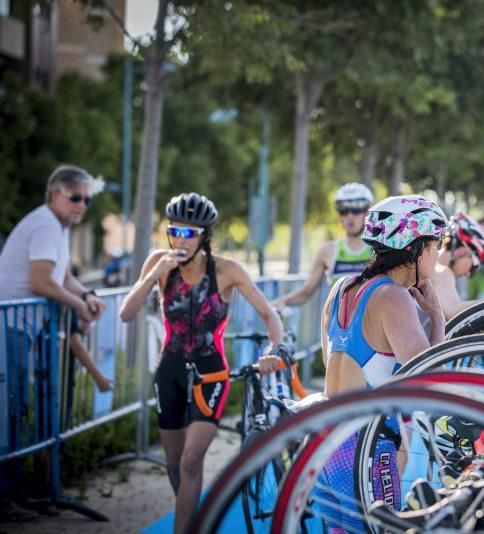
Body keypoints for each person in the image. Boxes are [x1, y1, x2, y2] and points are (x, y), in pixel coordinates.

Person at [119, 193, 284, 534]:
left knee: (192, 460)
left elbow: (269, 314)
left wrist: (275, 348)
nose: (180, 239)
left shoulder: (226, 270)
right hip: (171, 370)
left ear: (204, 235)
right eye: (174, 230)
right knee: (173, 462)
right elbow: (126, 313)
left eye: (189, 233)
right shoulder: (158, 263)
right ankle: (193, 518)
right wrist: (152, 277)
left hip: (212, 372)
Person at [315, 194, 448, 532]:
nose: (438, 254)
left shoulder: (341, 288)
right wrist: (436, 317)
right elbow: (428, 381)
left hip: (325, 442)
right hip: (367, 449)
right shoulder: (393, 297)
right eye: (436, 245)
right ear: (415, 250)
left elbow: (328, 359)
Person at [0, 164, 106, 522]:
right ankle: (6, 500)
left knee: (17, 412)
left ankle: (19, 493)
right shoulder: (46, 224)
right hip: (9, 329)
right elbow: (42, 283)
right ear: (56, 193)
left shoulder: (56, 227)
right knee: (8, 415)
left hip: (18, 331)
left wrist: (88, 294)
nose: (82, 205)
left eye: (87, 200)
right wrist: (79, 304)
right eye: (76, 197)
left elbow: (62, 276)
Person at [271, 183, 374, 310]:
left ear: (366, 211)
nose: (350, 215)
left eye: (357, 209)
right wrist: (280, 302)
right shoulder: (328, 250)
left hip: (370, 325)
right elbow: (306, 292)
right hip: (337, 327)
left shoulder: (378, 248)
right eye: (343, 210)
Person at [431, 212, 484, 320]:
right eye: (474, 267)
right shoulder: (442, 272)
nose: (468, 274)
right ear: (462, 251)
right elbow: (451, 311)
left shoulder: (431, 266)